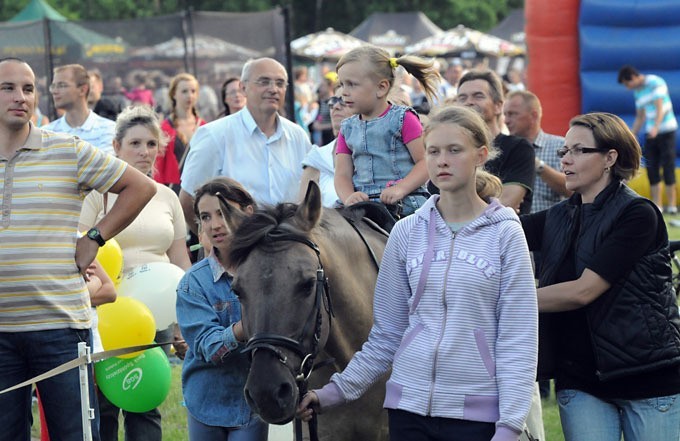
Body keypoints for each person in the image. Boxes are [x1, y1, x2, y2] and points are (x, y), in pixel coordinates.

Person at [298, 105, 538, 441]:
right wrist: (331, 393)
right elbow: (386, 336)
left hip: (477, 415)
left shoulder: (505, 234)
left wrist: (510, 425)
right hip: (408, 411)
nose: (442, 161)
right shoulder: (406, 232)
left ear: (480, 155)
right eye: (433, 151)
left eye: (455, 150)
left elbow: (518, 340)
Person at [0, 57, 156, 441]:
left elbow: (141, 187)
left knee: (76, 435)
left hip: (60, 328)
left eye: (29, 88)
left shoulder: (67, 150)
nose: (21, 97)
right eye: (8, 88)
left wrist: (95, 238)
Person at [521, 112, 680, 441]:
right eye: (564, 151)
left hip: (647, 377)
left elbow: (583, 291)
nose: (565, 160)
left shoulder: (638, 215)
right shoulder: (557, 217)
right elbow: (499, 234)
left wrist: (506, 298)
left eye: (578, 151)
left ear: (610, 158)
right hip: (579, 379)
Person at [79, 105, 191, 441]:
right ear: (116, 147)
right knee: (106, 405)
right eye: (135, 143)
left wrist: (185, 316)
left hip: (157, 313)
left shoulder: (168, 197)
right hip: (110, 312)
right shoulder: (98, 195)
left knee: (146, 402)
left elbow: (181, 260)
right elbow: (82, 249)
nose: (144, 152)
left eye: (151, 144)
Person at [176, 177, 268, 441]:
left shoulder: (268, 271)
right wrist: (245, 327)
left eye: (223, 212)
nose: (215, 224)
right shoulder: (194, 283)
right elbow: (208, 347)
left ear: (248, 212)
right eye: (205, 217)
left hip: (255, 401)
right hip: (207, 399)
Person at [179, 57, 312, 235]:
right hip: (237, 255)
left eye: (280, 83)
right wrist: (214, 244)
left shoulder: (298, 137)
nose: (273, 89)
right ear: (243, 88)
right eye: (264, 82)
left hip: (290, 247)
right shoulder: (215, 135)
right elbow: (187, 200)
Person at [334, 45, 440, 216]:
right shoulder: (347, 128)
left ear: (381, 87)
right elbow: (342, 175)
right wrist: (349, 197)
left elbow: (426, 162)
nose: (344, 93)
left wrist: (401, 188)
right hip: (362, 204)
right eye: (342, 84)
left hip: (403, 203)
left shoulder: (404, 119)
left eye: (352, 85)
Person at [451, 70, 536, 214]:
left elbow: (503, 207)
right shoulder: (449, 151)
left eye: (478, 96)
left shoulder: (518, 148)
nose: (469, 102)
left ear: (498, 106)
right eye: (462, 97)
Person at [618, 64, 678, 213]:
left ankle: (671, 205)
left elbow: (660, 107)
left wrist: (656, 127)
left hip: (666, 130)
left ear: (632, 77)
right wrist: (631, 134)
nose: (628, 88)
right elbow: (640, 116)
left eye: (627, 84)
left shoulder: (655, 82)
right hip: (651, 132)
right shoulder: (638, 92)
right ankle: (657, 205)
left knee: (668, 166)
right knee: (652, 168)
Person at [503, 90, 571, 213]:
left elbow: (572, 189)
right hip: (514, 228)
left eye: (512, 114)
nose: (506, 120)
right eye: (505, 114)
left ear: (533, 116)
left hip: (549, 227)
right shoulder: (503, 148)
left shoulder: (560, 145)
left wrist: (536, 164)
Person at [298, 89, 355, 207]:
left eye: (343, 100)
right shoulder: (317, 158)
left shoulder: (372, 155)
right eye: (333, 101)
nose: (336, 106)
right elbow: (302, 212)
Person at [44, 64, 116, 154]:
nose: (54, 91)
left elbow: (102, 166)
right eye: (53, 86)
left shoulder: (109, 129)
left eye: (62, 85)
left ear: (82, 90)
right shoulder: (46, 133)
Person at [153, 73, 206, 192]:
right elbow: (158, 165)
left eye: (193, 91)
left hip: (199, 187)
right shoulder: (164, 128)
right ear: (174, 94)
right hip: (172, 188)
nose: (189, 96)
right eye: (184, 91)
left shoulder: (204, 126)